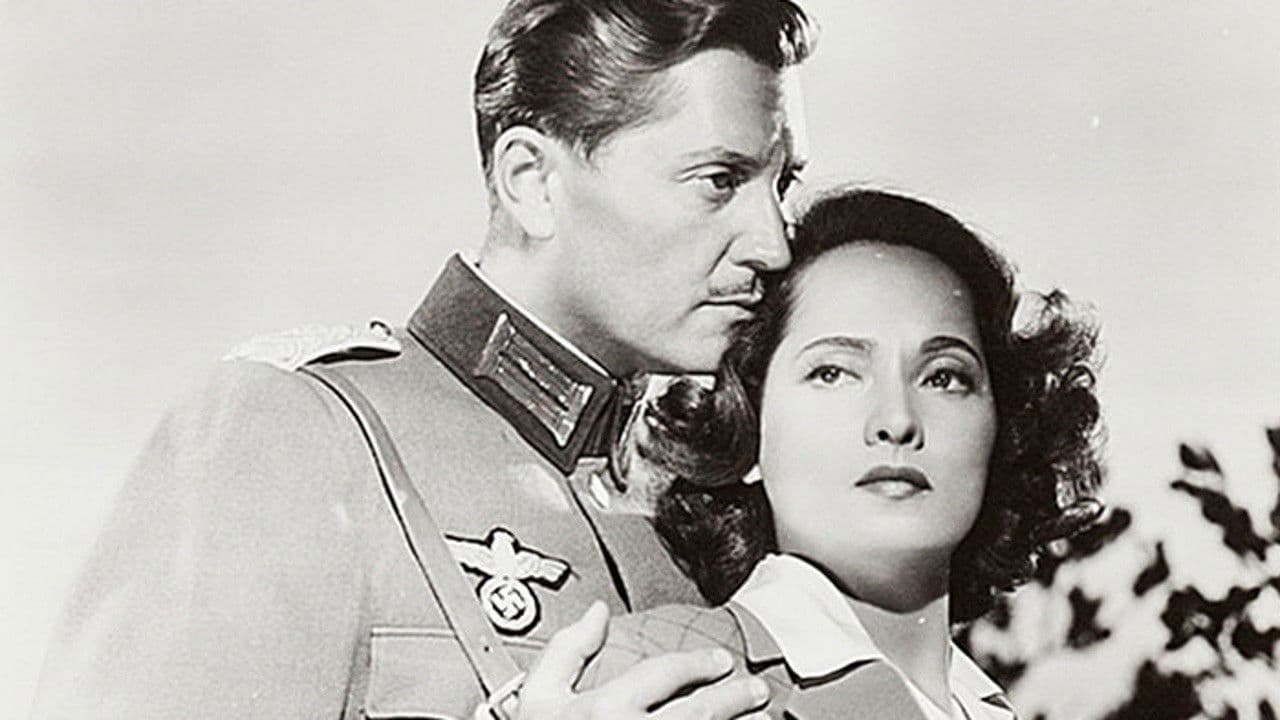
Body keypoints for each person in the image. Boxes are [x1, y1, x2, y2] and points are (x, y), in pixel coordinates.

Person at [31, 1, 814, 718]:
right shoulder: (296, 433)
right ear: (533, 183)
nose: (774, 243)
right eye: (720, 180)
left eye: (782, 184)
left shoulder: (719, 489)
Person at [575, 187, 1105, 719]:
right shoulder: (653, 672)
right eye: (833, 373)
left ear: (1000, 432)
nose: (896, 421)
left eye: (944, 377)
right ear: (747, 426)